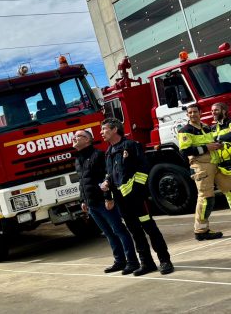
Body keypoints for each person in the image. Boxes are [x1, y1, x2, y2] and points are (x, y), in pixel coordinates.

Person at [100, 118, 174, 275]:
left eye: (104, 129)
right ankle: (147, 263)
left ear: (114, 130)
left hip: (138, 200)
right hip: (122, 202)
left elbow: (143, 170)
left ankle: (165, 261)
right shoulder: (109, 152)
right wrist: (107, 192)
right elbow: (110, 175)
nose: (102, 132)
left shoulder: (131, 146)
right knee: (135, 231)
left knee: (150, 229)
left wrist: (137, 193)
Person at [72, 129, 139, 275]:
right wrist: (83, 200)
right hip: (91, 204)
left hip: (104, 202)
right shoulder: (78, 159)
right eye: (74, 136)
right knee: (108, 233)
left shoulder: (98, 155)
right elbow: (83, 181)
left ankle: (132, 261)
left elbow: (107, 178)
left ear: (88, 140)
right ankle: (120, 261)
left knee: (119, 231)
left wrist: (108, 197)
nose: (74, 138)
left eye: (78, 136)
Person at [178, 104, 229, 239]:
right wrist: (206, 147)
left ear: (200, 112)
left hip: (215, 164)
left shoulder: (206, 127)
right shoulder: (185, 130)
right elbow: (184, 152)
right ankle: (201, 231)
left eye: (195, 112)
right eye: (190, 113)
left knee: (229, 188)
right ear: (187, 115)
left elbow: (212, 142)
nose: (193, 114)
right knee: (206, 198)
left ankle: (202, 229)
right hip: (201, 167)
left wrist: (218, 146)